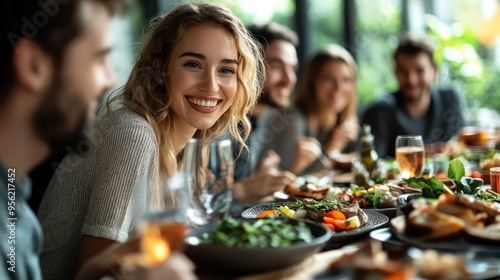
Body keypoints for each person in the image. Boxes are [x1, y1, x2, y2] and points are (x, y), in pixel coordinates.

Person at [37, 3, 264, 279]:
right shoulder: (133, 134)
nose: (211, 85)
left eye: (226, 70)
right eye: (193, 64)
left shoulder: (191, 146)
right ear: (160, 69)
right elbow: (97, 272)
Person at [1, 1, 196, 280]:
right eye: (99, 57)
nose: (110, 79)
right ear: (33, 66)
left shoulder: (13, 190)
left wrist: (99, 267)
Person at [361, 34, 464, 158]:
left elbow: (463, 149)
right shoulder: (379, 112)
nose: (411, 80)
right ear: (395, 72)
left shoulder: (450, 100)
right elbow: (371, 163)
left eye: (419, 70)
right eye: (403, 71)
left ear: (434, 71)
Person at [231, 22, 299, 203]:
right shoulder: (224, 126)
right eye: (277, 66)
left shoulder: (257, 120)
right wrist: (243, 190)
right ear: (250, 66)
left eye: (293, 68)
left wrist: (258, 179)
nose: (289, 79)